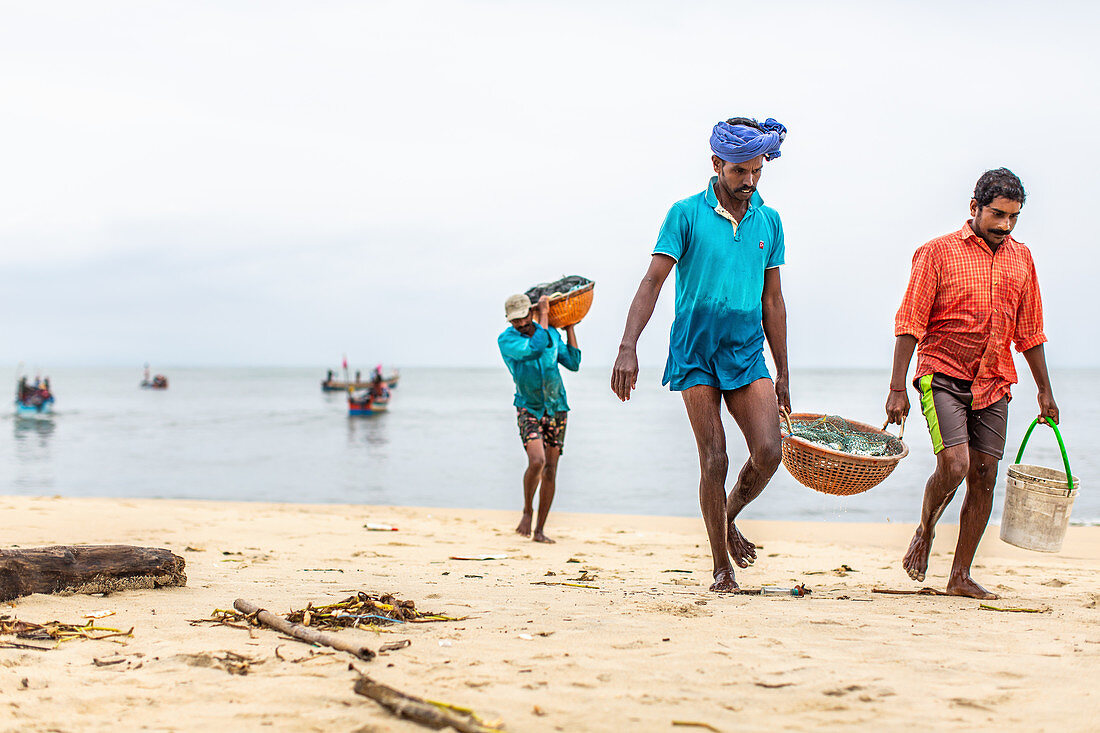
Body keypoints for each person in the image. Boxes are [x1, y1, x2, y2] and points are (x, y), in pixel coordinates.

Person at [612, 117, 791, 592]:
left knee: (770, 452)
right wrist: (628, 347)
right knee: (714, 459)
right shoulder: (685, 214)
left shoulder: (768, 222)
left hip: (747, 351)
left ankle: (725, 518)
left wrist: (784, 375)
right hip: (695, 352)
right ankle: (720, 568)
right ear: (716, 164)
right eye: (739, 171)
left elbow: (772, 301)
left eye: (756, 171)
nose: (749, 182)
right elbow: (653, 281)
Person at [885, 168, 1058, 600]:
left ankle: (959, 575)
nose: (1005, 225)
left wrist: (1044, 390)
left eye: (1013, 217)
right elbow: (910, 321)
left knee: (983, 476)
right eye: (997, 214)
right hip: (941, 373)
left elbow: (1030, 331)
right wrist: (896, 386)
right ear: (974, 207)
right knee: (956, 465)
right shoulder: (936, 253)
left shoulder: (1022, 258)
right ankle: (925, 531)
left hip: (995, 379)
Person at [498, 292, 581, 543]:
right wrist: (545, 314)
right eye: (515, 320)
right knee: (537, 461)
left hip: (557, 407)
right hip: (528, 406)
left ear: (529, 313)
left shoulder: (552, 334)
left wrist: (568, 329)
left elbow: (574, 362)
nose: (521, 323)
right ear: (509, 321)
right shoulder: (507, 340)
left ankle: (540, 530)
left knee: (551, 470)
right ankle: (527, 510)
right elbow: (536, 348)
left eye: (523, 317)